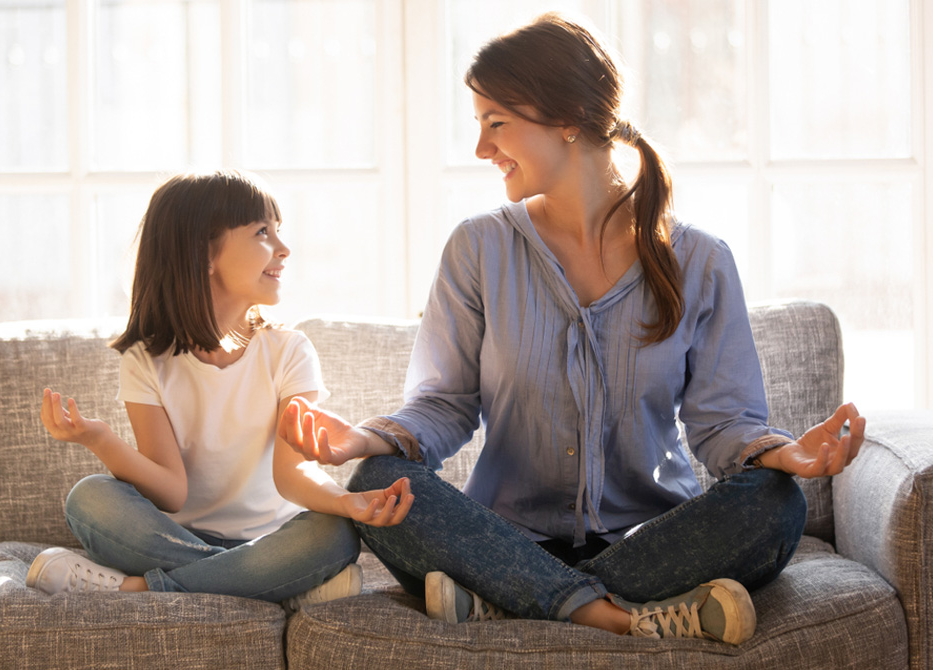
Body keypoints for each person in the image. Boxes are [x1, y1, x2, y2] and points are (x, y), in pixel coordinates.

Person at [278, 13, 865, 644]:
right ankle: (622, 612)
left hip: (651, 539)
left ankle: (510, 599)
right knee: (375, 484)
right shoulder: (479, 248)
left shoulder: (700, 261)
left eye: (496, 123)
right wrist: (360, 441)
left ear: (568, 119)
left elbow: (722, 425)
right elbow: (445, 406)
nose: (481, 149)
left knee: (776, 503)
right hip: (502, 536)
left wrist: (788, 455)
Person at [26, 170, 413, 608]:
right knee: (89, 499)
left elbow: (292, 474)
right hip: (179, 536)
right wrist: (99, 439)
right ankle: (273, 583)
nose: (284, 249)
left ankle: (143, 588)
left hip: (276, 537)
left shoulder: (289, 351)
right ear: (204, 252)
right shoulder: (146, 361)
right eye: (263, 232)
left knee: (335, 533)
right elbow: (172, 491)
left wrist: (348, 503)